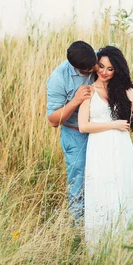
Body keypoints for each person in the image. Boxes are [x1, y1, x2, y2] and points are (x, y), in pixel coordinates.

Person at [78, 46, 133, 250]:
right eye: (101, 66)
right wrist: (112, 125)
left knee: (123, 191)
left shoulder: (120, 91)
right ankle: (100, 249)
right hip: (100, 148)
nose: (104, 72)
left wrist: (132, 105)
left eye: (110, 69)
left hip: (122, 147)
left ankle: (125, 248)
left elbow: (128, 125)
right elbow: (83, 126)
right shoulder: (88, 92)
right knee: (103, 192)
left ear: (117, 70)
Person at [46, 41, 98, 223]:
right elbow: (53, 120)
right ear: (76, 67)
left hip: (101, 133)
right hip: (75, 135)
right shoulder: (59, 78)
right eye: (88, 70)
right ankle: (77, 230)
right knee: (78, 183)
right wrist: (75, 100)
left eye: (95, 64)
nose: (95, 69)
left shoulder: (99, 58)